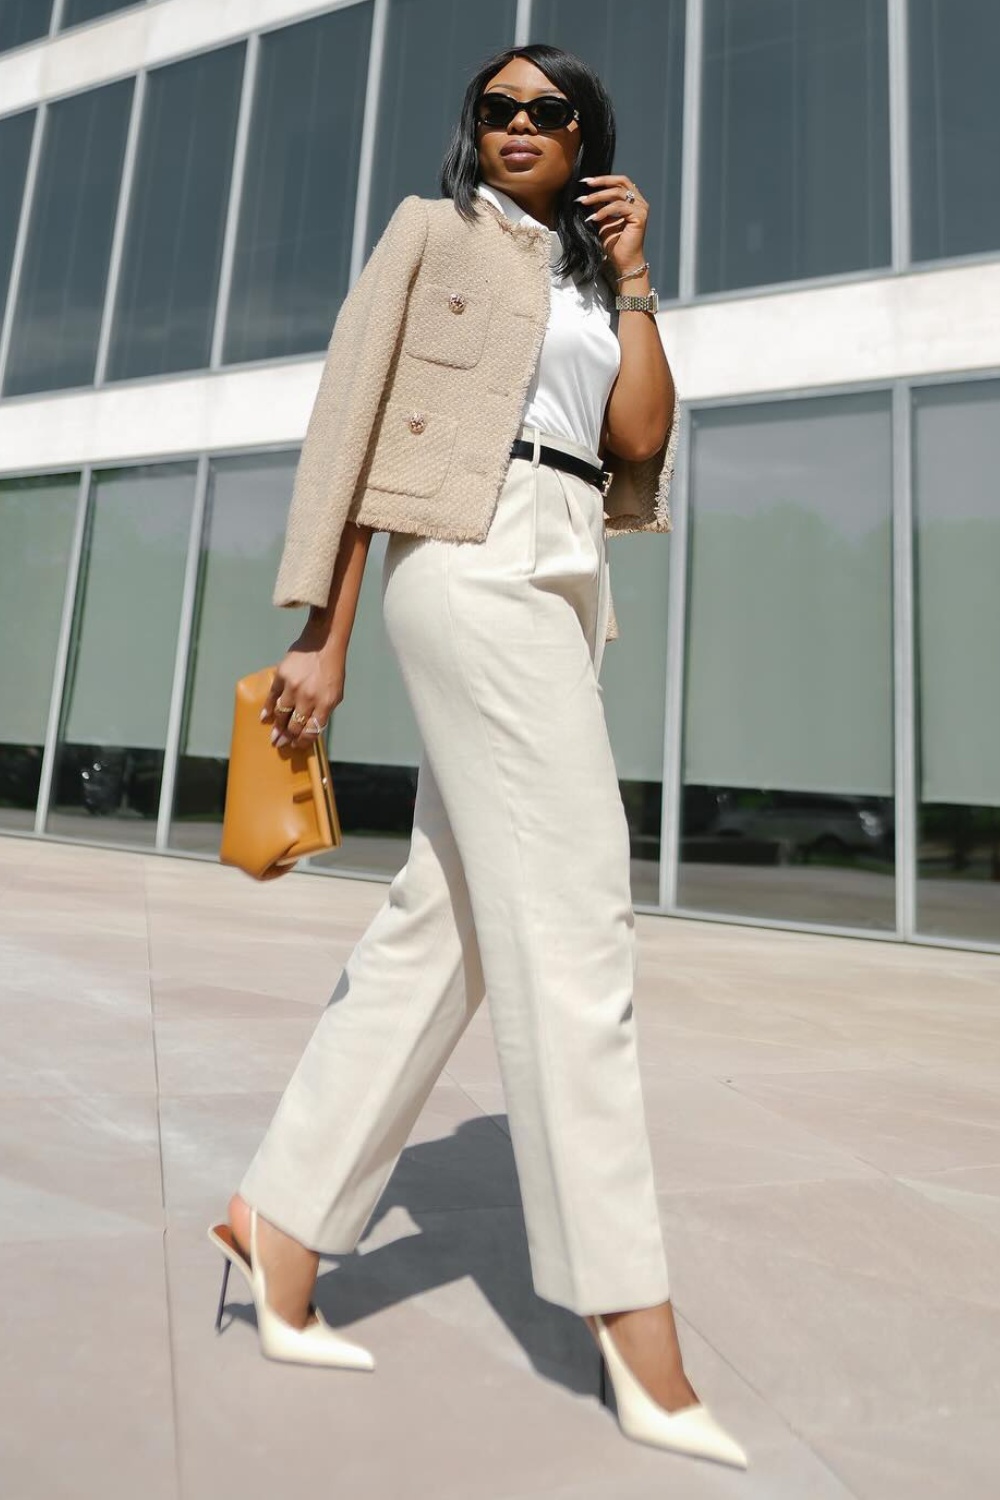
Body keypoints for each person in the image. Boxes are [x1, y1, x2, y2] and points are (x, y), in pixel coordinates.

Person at [207, 43, 747, 1471]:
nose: (518, 127)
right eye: (496, 110)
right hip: (464, 558)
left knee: (445, 928)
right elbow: (351, 427)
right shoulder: (428, 235)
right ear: (476, 133)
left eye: (548, 113)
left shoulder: (588, 280)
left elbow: (638, 436)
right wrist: (320, 633)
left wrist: (636, 277)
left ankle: (280, 1223)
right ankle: (634, 1317)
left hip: (568, 578)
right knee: (578, 920)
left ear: (587, 142)